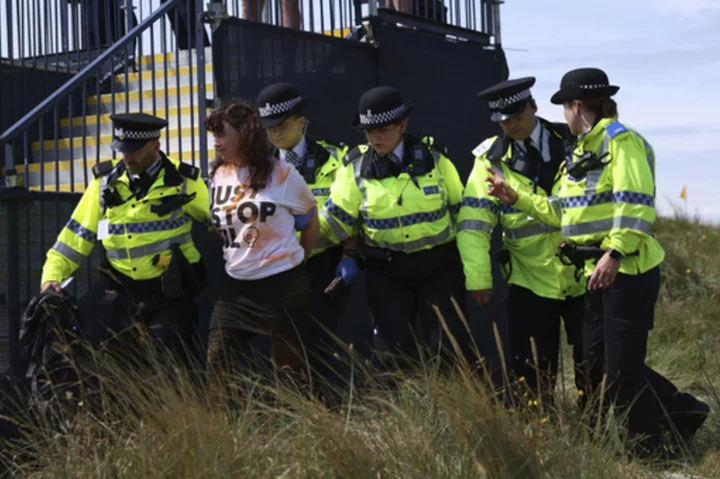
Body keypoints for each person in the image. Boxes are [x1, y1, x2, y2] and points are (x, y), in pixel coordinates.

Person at [486, 67, 710, 455]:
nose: (563, 117)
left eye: (565, 107)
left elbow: (636, 202)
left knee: (620, 372)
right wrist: (516, 198)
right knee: (599, 364)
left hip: (627, 270)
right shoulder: (582, 150)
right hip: (596, 274)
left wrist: (616, 251)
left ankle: (648, 450)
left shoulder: (621, 143)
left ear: (576, 106)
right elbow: (564, 211)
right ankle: (683, 411)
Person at [321, 86, 471, 373]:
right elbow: (335, 220)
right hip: (386, 271)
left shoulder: (436, 160)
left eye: (382, 129)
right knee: (392, 354)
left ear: (402, 126)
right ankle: (400, 417)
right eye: (368, 131)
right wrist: (292, 233)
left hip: (438, 268)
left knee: (449, 349)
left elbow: (461, 214)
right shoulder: (353, 167)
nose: (374, 137)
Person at [457, 77, 587, 406]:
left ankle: (595, 431)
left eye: (516, 114)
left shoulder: (574, 142)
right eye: (503, 119)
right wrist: (478, 278)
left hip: (583, 275)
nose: (511, 124)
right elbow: (473, 224)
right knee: (530, 372)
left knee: (594, 363)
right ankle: (537, 436)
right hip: (531, 280)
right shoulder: (489, 159)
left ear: (533, 106)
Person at [41, 113, 209, 364]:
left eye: (135, 150)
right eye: (122, 149)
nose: (127, 157)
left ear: (155, 145)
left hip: (171, 294)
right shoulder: (103, 184)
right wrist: (52, 276)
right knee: (123, 376)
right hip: (123, 296)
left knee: (174, 373)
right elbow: (76, 237)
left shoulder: (184, 180)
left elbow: (220, 219)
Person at [205, 99, 319, 386]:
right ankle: (222, 429)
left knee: (291, 376)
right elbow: (223, 224)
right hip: (236, 289)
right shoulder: (217, 175)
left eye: (222, 135)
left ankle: (306, 426)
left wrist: (301, 258)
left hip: (283, 288)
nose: (216, 143)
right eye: (214, 135)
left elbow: (309, 216)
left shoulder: (281, 173)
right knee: (217, 368)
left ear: (245, 135)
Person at [256, 83, 351, 384]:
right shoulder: (255, 167)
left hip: (324, 267)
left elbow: (351, 212)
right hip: (278, 271)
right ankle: (296, 418)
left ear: (301, 122)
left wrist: (350, 253)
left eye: (281, 126)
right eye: (268, 128)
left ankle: (328, 415)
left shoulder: (337, 159)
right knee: (285, 350)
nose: (274, 134)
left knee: (321, 346)